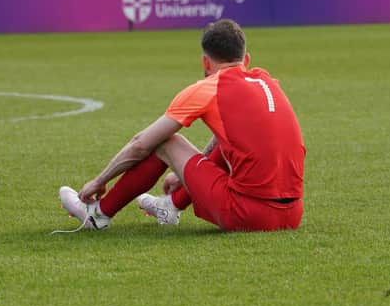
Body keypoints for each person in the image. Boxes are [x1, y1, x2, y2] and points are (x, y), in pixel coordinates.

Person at [58, 19, 305, 232]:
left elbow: (141, 144)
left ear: (206, 63)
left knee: (165, 140)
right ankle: (171, 205)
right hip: (292, 215)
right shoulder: (267, 80)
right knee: (234, 142)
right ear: (246, 59)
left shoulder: (208, 87)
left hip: (248, 215)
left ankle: (98, 215)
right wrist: (185, 172)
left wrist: (99, 181)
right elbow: (229, 139)